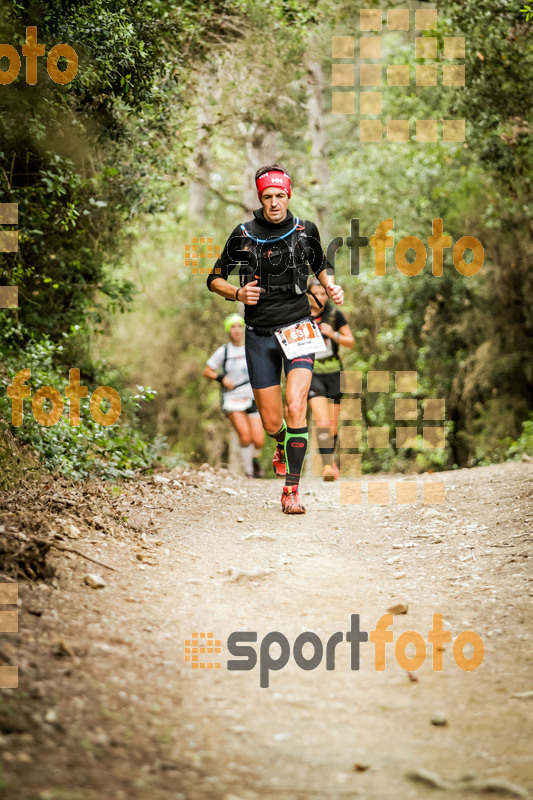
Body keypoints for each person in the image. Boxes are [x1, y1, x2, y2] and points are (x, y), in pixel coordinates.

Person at [206, 164, 344, 514]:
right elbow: (214, 278)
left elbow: (321, 265)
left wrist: (331, 286)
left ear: (288, 196)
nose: (274, 203)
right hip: (258, 334)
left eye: (280, 195)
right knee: (271, 424)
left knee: (296, 406)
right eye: (267, 196)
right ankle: (282, 443)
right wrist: (237, 294)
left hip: (298, 327)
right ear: (260, 199)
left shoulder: (305, 230)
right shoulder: (243, 234)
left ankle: (291, 491)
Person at [203, 313, 265, 479]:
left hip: (252, 395)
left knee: (258, 440)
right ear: (228, 331)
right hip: (233, 398)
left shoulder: (251, 348)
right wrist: (222, 378)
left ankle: (254, 460)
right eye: (233, 327)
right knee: (245, 435)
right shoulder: (224, 351)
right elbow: (207, 370)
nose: (237, 330)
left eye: (239, 326)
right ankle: (249, 472)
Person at [307, 278, 355, 481]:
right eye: (315, 293)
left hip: (334, 372)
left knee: (332, 425)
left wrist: (333, 334)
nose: (319, 297)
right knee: (322, 420)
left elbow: (350, 342)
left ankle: (331, 461)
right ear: (307, 294)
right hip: (310, 372)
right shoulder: (300, 315)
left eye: (323, 294)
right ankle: (327, 466)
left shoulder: (335, 315)